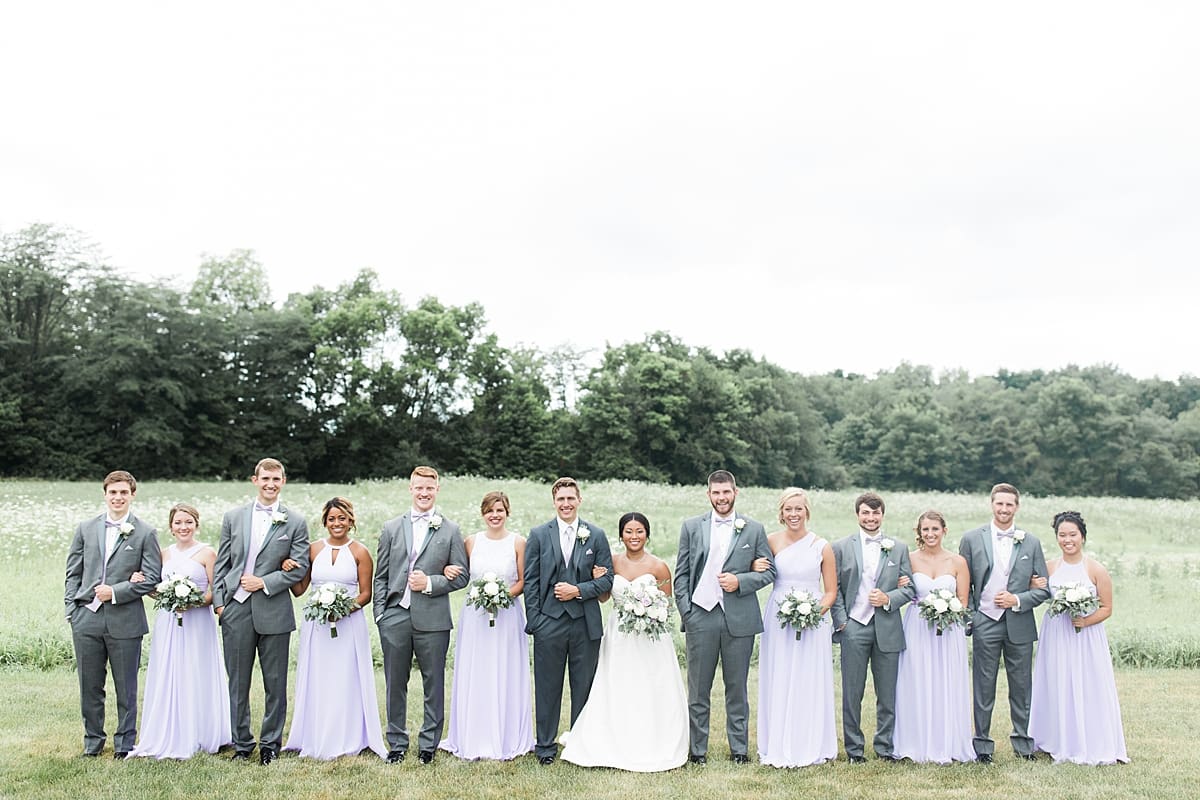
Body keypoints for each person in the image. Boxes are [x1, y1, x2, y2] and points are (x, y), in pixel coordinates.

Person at [560, 512, 688, 771]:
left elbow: (667, 604)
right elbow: (605, 598)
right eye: (629, 531)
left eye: (639, 531)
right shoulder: (612, 563)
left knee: (650, 684)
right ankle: (613, 738)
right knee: (617, 683)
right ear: (621, 535)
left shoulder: (659, 566)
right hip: (619, 635)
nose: (634, 536)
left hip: (650, 638)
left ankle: (653, 739)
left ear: (647, 534)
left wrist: (651, 612)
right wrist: (598, 578)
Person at [212, 457, 310, 765]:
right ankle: (242, 744)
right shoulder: (233, 517)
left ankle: (270, 745)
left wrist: (264, 582)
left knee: (275, 682)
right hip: (235, 609)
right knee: (237, 681)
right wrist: (219, 602)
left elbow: (300, 567)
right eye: (265, 478)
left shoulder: (295, 521)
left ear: (283, 482)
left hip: (274, 609)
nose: (270, 484)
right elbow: (222, 563)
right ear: (255, 480)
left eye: (276, 479)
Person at [674, 470, 774, 765]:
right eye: (716, 493)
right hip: (700, 616)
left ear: (735, 492)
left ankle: (739, 749)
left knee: (737, 688)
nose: (721, 498)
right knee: (698, 689)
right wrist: (687, 611)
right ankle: (697, 751)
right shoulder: (691, 526)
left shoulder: (753, 529)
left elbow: (769, 571)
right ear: (709, 495)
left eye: (726, 492)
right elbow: (681, 573)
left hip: (739, 618)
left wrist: (741, 581)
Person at [64, 470, 162, 758]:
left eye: (123, 492)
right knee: (90, 686)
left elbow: (152, 578)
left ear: (132, 495)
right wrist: (73, 610)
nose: (118, 497)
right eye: (113, 492)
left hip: (126, 620)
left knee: (126, 687)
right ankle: (93, 743)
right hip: (87, 618)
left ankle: (124, 744)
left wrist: (117, 591)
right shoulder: (85, 528)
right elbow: (73, 572)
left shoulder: (145, 532)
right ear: (105, 494)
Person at [374, 466, 469, 765]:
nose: (424, 493)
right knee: (395, 683)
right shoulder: (391, 528)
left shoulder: (450, 530)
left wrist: (430, 582)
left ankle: (428, 743)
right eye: (419, 488)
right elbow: (381, 575)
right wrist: (381, 615)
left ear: (437, 489)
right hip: (395, 617)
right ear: (411, 489)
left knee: (434, 682)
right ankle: (397, 743)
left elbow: (462, 575)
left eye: (429, 488)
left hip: (434, 619)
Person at [284, 497, 386, 760]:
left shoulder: (360, 552)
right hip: (316, 626)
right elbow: (299, 590)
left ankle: (349, 736)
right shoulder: (313, 549)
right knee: (319, 676)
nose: (337, 523)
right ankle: (315, 735)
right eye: (332, 519)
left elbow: (366, 594)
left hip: (349, 625)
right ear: (325, 522)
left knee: (346, 677)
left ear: (350, 520)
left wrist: (342, 609)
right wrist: (287, 567)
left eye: (342, 518)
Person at [524, 477, 614, 765]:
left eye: (570, 498)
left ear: (579, 500)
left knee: (583, 686)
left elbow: (607, 579)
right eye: (560, 499)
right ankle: (546, 747)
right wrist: (536, 621)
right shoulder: (538, 535)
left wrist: (579, 590)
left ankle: (580, 745)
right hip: (548, 622)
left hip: (585, 623)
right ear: (554, 502)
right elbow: (532, 582)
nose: (566, 504)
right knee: (548, 686)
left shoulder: (595, 535)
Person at [438, 491, 534, 761]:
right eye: (490, 510)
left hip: (507, 615)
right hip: (476, 616)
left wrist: (503, 597)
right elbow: (459, 572)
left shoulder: (518, 542)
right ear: (483, 513)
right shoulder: (470, 542)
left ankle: (507, 735)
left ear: (507, 513)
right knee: (477, 669)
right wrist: (448, 571)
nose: (495, 515)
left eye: (500, 510)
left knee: (505, 669)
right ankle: (473, 734)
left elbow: (523, 582)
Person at [130, 503, 231, 759]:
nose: (183, 527)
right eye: (178, 523)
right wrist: (147, 587)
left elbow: (215, 591)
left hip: (198, 622)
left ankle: (202, 731)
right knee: (170, 669)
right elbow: (154, 588)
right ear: (171, 527)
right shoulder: (163, 554)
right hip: (168, 622)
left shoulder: (208, 553)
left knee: (197, 669)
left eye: (188, 522)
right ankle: (169, 730)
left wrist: (193, 602)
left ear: (196, 524)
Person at [958, 482, 1050, 762]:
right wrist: (972, 616)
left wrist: (1018, 600)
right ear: (992, 504)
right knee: (983, 685)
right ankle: (982, 746)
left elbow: (1044, 589)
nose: (1004, 509)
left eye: (1010, 504)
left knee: (1021, 685)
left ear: (1017, 507)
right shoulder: (972, 539)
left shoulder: (1031, 541)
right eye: (1000, 503)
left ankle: (1023, 744)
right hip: (985, 620)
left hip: (1019, 623)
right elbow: (963, 582)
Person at [1029, 511, 1128, 764]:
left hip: (1086, 636)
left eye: (1072, 534)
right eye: (1062, 535)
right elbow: (1037, 593)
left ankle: (1089, 739)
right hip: (1056, 634)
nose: (1067, 540)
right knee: (1056, 681)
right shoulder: (1050, 567)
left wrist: (1085, 620)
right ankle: (1054, 738)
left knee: (1087, 684)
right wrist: (1032, 585)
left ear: (1082, 536)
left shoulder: (1096, 570)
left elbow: (1107, 607)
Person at [754, 488, 837, 767]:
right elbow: (761, 573)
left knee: (808, 675)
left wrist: (814, 613)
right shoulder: (770, 542)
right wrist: (755, 564)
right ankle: (776, 741)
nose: (793, 514)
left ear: (807, 511)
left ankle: (811, 741)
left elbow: (830, 592)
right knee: (779, 674)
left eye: (798, 509)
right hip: (779, 616)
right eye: (788, 509)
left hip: (813, 620)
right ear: (781, 513)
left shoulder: (822, 545)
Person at [830, 492, 915, 763]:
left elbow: (911, 588)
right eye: (866, 513)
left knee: (887, 693)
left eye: (875, 513)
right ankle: (854, 750)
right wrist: (842, 622)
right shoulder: (841, 547)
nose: (870, 518)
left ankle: (885, 747)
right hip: (854, 626)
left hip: (887, 627)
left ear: (882, 515)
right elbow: (836, 589)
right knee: (852, 692)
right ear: (858, 515)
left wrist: (889, 598)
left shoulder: (898, 548)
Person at [891, 511, 974, 763]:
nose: (930, 534)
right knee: (916, 679)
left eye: (935, 529)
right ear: (919, 532)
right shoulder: (909, 559)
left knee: (946, 679)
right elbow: (901, 589)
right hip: (917, 625)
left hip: (949, 629)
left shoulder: (957, 562)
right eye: (925, 530)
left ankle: (948, 741)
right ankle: (914, 741)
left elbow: (963, 600)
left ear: (944, 531)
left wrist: (949, 611)